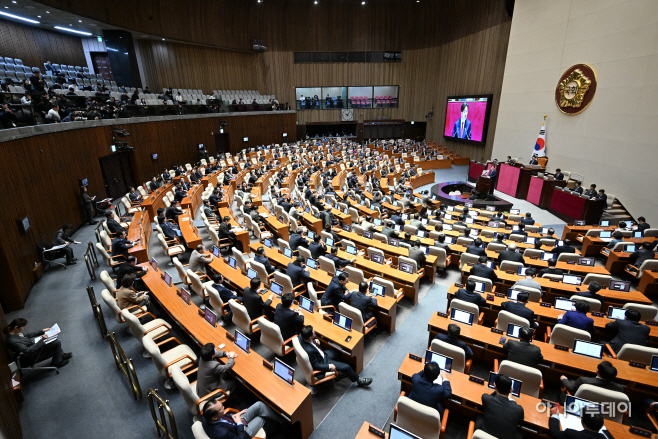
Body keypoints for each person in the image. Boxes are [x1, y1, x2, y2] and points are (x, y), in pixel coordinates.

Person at [298, 325, 372, 387]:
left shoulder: (302, 336)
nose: (314, 331)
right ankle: (359, 381)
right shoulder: (310, 351)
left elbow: (308, 340)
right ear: (310, 337)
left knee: (337, 352)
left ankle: (341, 371)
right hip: (323, 361)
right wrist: (329, 366)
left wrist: (314, 341)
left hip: (322, 354)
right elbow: (316, 365)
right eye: (313, 332)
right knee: (346, 366)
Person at [201, 395, 284, 439]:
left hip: (234, 422)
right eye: (221, 408)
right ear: (215, 417)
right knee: (261, 417)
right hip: (243, 433)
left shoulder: (205, 415)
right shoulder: (223, 434)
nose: (224, 407)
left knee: (259, 405)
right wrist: (239, 423)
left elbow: (223, 417)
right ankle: (284, 424)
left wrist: (233, 416)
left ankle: (281, 420)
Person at [4, 318, 72, 368]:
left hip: (32, 346)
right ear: (16, 327)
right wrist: (41, 340)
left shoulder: (15, 333)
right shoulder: (12, 340)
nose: (24, 328)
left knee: (53, 339)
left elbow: (28, 335)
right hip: (29, 356)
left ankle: (60, 355)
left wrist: (42, 331)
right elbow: (28, 350)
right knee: (56, 343)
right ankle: (57, 362)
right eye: (23, 327)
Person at [476, 373, 525, 439]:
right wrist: (511, 400)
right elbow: (520, 420)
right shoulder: (519, 409)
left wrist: (496, 389)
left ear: (494, 386)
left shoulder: (486, 399)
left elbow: (490, 397)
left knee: (479, 416)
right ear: (511, 390)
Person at [559, 361, 624, 404]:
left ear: (597, 371)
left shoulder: (583, 381)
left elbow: (572, 391)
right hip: (604, 412)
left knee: (570, 380)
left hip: (580, 406)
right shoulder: (620, 389)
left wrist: (564, 380)